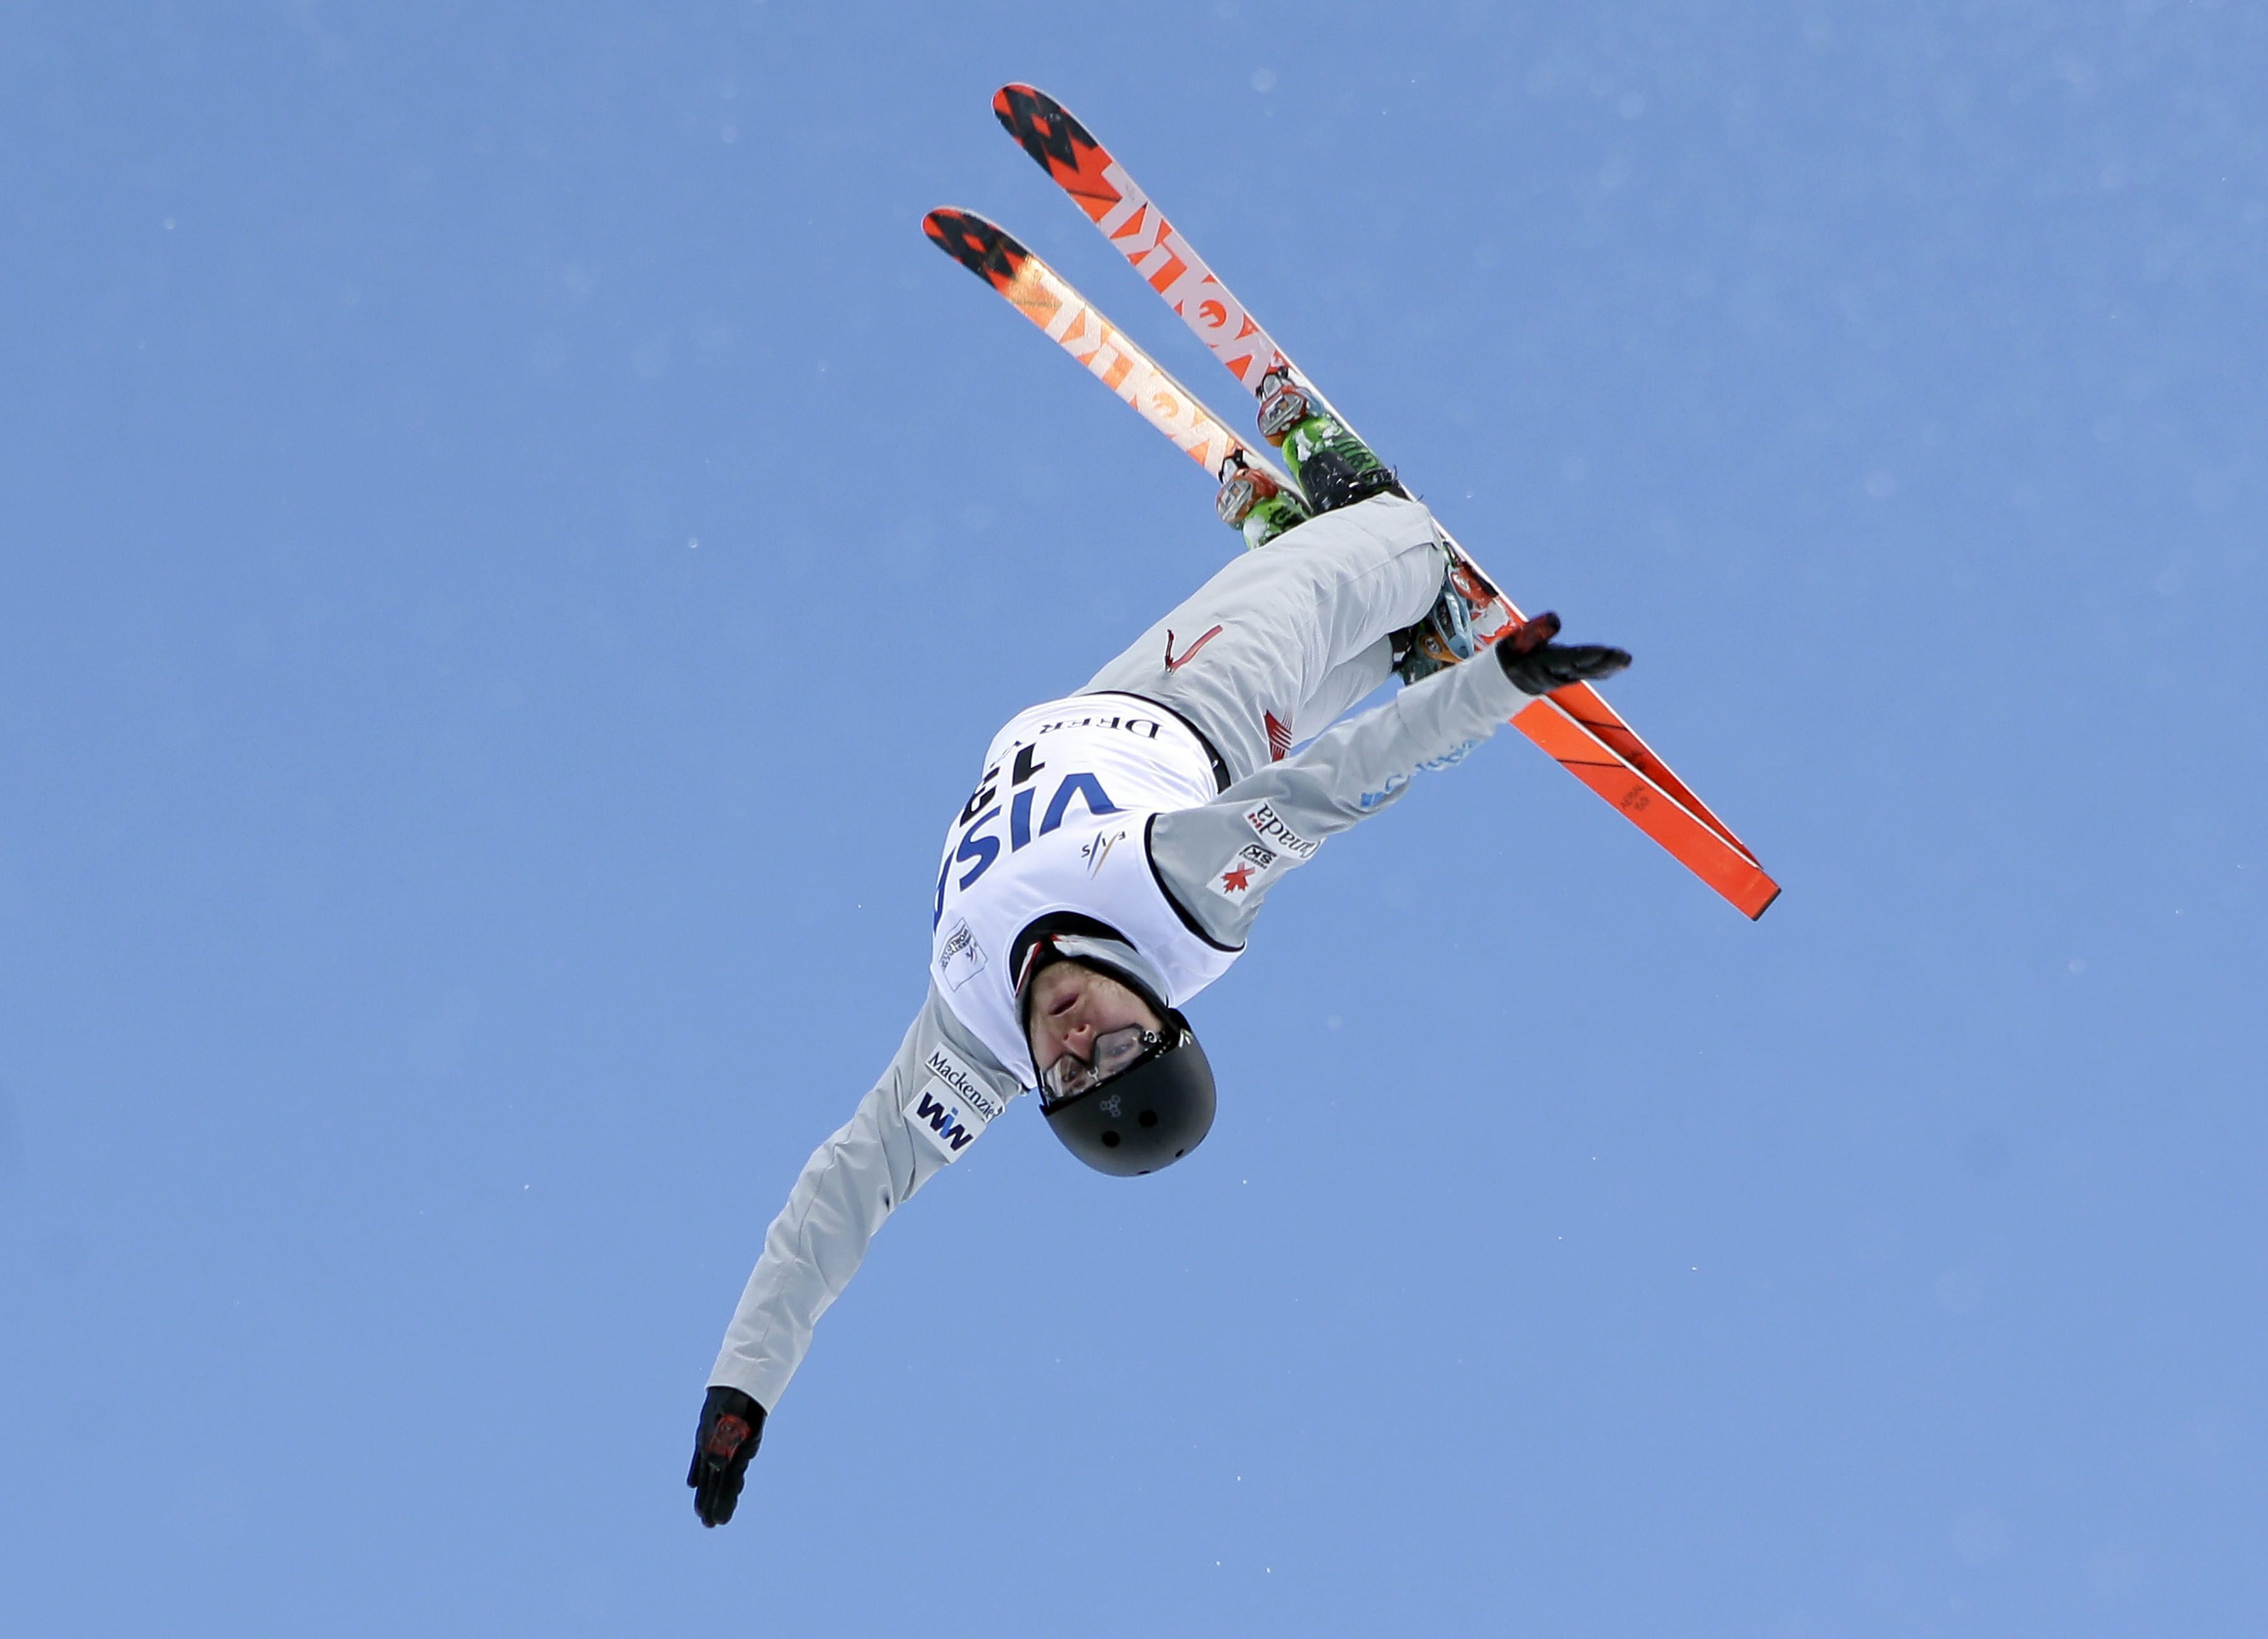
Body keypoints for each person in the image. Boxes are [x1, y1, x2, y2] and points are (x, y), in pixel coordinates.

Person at [687, 401, 1630, 1528]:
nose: (1081, 1041)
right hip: (1214, 703)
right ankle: (1378, 557)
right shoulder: (1188, 889)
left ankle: (1348, 587)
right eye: (1123, 1043)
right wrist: (1494, 689)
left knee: (1343, 610)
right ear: (1162, 1011)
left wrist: (742, 1388)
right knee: (1408, 543)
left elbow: (837, 1203)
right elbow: (1344, 785)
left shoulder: (973, 1043)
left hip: (1106, 701)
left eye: (1077, 1074)